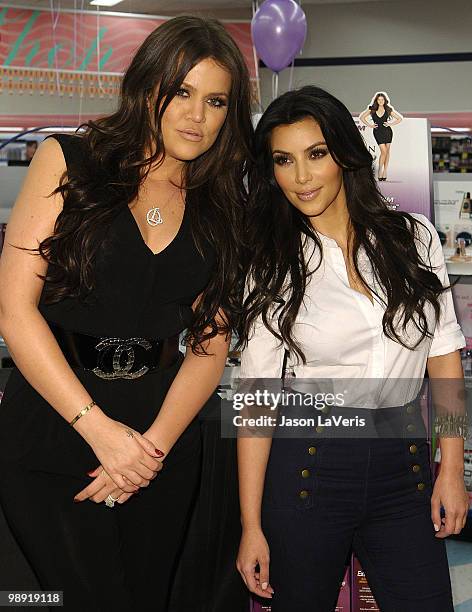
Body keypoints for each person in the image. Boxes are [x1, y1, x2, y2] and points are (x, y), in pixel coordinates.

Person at [0, 16, 252, 611]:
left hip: (161, 449)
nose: (197, 115)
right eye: (182, 92)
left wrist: (149, 451)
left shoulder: (222, 203)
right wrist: (100, 432)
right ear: (147, 86)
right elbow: (15, 311)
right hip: (56, 429)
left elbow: (211, 344)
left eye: (216, 100)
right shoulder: (69, 159)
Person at [236, 85, 469, 612]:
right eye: (283, 160)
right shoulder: (272, 263)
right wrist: (251, 524)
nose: (301, 177)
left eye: (315, 154)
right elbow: (256, 399)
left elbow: (444, 357)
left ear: (344, 153)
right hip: (307, 468)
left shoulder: (415, 238)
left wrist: (450, 470)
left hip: (404, 468)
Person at [359, 92, 402, 181]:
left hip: (388, 132)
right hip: (378, 132)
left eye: (382, 99)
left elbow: (399, 118)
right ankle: (379, 171)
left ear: (385, 100)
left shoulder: (388, 109)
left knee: (387, 152)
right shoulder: (372, 109)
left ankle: (385, 172)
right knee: (384, 151)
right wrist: (370, 125)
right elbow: (362, 117)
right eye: (379, 99)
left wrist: (390, 123)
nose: (381, 101)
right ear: (376, 100)